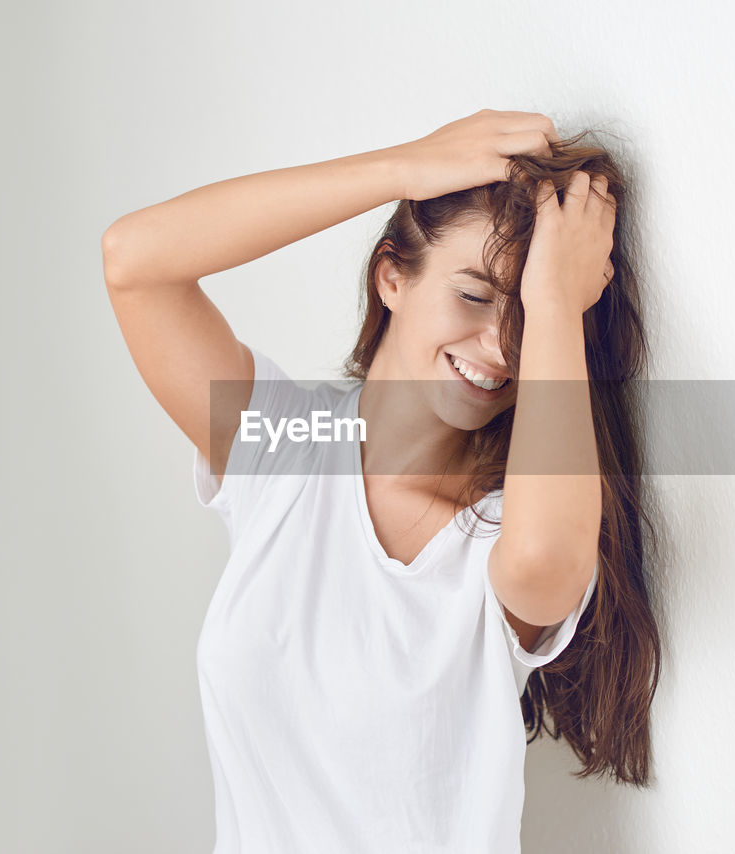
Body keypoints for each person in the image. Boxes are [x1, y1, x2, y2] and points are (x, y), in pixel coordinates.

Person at [101, 108, 663, 853]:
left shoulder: (506, 528)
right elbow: (133, 260)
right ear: (392, 276)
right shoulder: (287, 449)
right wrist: (403, 166)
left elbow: (543, 568)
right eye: (473, 295)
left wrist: (556, 301)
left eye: (526, 317)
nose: (500, 346)